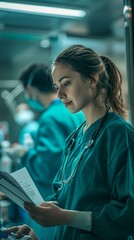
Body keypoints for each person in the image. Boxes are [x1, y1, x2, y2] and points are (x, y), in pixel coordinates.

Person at [5, 45, 134, 240]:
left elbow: (128, 214)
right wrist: (39, 226)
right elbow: (61, 196)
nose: (59, 95)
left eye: (66, 83)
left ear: (92, 80)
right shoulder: (74, 138)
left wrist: (64, 217)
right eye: (57, 87)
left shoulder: (117, 134)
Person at [8, 62, 84, 239]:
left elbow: (47, 167)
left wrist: (25, 155)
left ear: (30, 89)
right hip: (75, 202)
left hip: (55, 205)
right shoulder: (74, 111)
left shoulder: (50, 117)